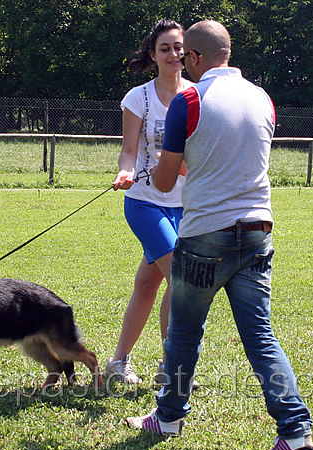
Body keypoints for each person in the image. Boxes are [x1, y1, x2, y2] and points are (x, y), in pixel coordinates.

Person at [126, 20, 313, 450]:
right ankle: (295, 430)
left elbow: (169, 177)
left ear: (193, 58)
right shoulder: (262, 99)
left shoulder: (188, 99)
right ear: (227, 53)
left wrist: (150, 169)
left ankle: (168, 417)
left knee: (184, 333)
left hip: (206, 233)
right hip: (257, 230)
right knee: (261, 336)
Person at [104, 19, 194, 385]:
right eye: (165, 48)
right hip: (145, 203)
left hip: (185, 206)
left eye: (179, 48)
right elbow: (128, 151)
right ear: (153, 55)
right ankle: (171, 368)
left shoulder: (196, 94)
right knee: (180, 277)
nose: (174, 54)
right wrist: (124, 173)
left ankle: (117, 362)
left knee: (148, 284)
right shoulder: (138, 98)